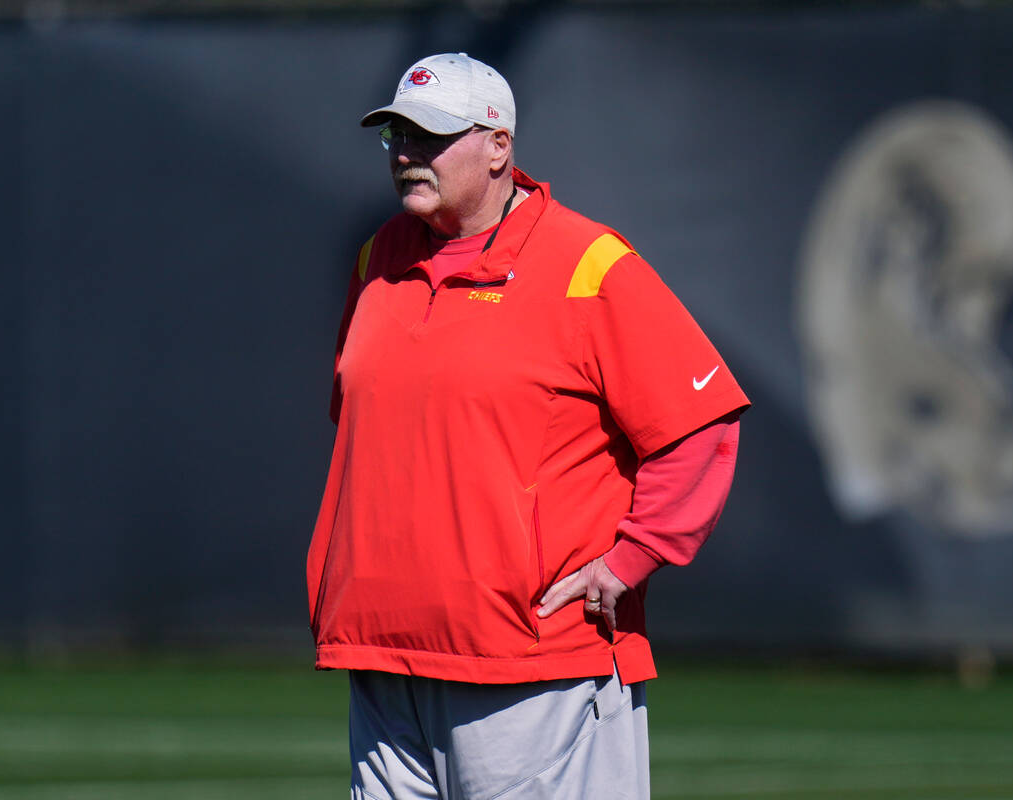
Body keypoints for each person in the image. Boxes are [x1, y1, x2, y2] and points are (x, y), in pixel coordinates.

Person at [306, 52, 750, 799]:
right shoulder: (376, 259)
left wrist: (632, 557)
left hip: (535, 665)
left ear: (499, 146)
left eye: (430, 135)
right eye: (396, 136)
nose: (408, 154)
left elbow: (701, 426)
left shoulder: (588, 263)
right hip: (383, 655)